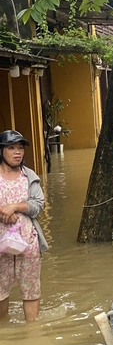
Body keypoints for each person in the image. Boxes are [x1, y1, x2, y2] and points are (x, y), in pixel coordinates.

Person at [0, 130, 49, 323]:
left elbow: (38, 204)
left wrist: (15, 207)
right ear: (2, 151)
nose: (17, 152)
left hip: (27, 241)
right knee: (0, 290)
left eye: (20, 148)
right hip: (1, 244)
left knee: (31, 289)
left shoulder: (28, 175)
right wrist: (3, 212)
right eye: (11, 148)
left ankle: (31, 332)